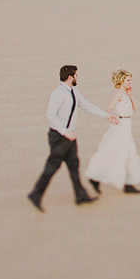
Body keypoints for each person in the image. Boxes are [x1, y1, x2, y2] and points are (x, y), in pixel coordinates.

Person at [28, 65, 118, 212]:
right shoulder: (57, 93)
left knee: (74, 164)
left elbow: (86, 105)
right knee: (52, 166)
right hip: (59, 136)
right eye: (76, 75)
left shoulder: (74, 91)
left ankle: (80, 195)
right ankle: (36, 194)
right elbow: (50, 115)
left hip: (70, 135)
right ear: (70, 77)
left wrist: (106, 115)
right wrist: (65, 132)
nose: (78, 77)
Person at [85, 69, 140, 195]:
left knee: (128, 152)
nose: (130, 82)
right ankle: (96, 177)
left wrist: (131, 95)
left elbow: (135, 108)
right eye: (128, 80)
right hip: (121, 125)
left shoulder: (125, 94)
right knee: (116, 151)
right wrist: (113, 118)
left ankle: (128, 183)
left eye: (130, 80)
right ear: (121, 81)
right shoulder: (118, 94)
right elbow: (109, 107)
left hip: (127, 124)